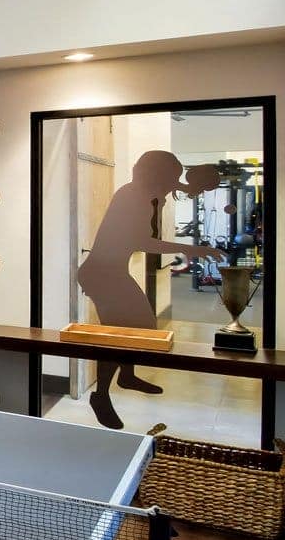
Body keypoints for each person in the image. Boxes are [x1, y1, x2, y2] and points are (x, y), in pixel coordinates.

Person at [77, 151, 224, 429]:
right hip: (102, 274)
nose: (173, 187)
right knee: (117, 335)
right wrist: (189, 248)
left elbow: (176, 187)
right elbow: (142, 242)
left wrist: (193, 185)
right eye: (171, 180)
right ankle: (101, 396)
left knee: (141, 326)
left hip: (111, 272)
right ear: (157, 178)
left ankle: (127, 375)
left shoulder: (141, 191)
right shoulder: (134, 199)